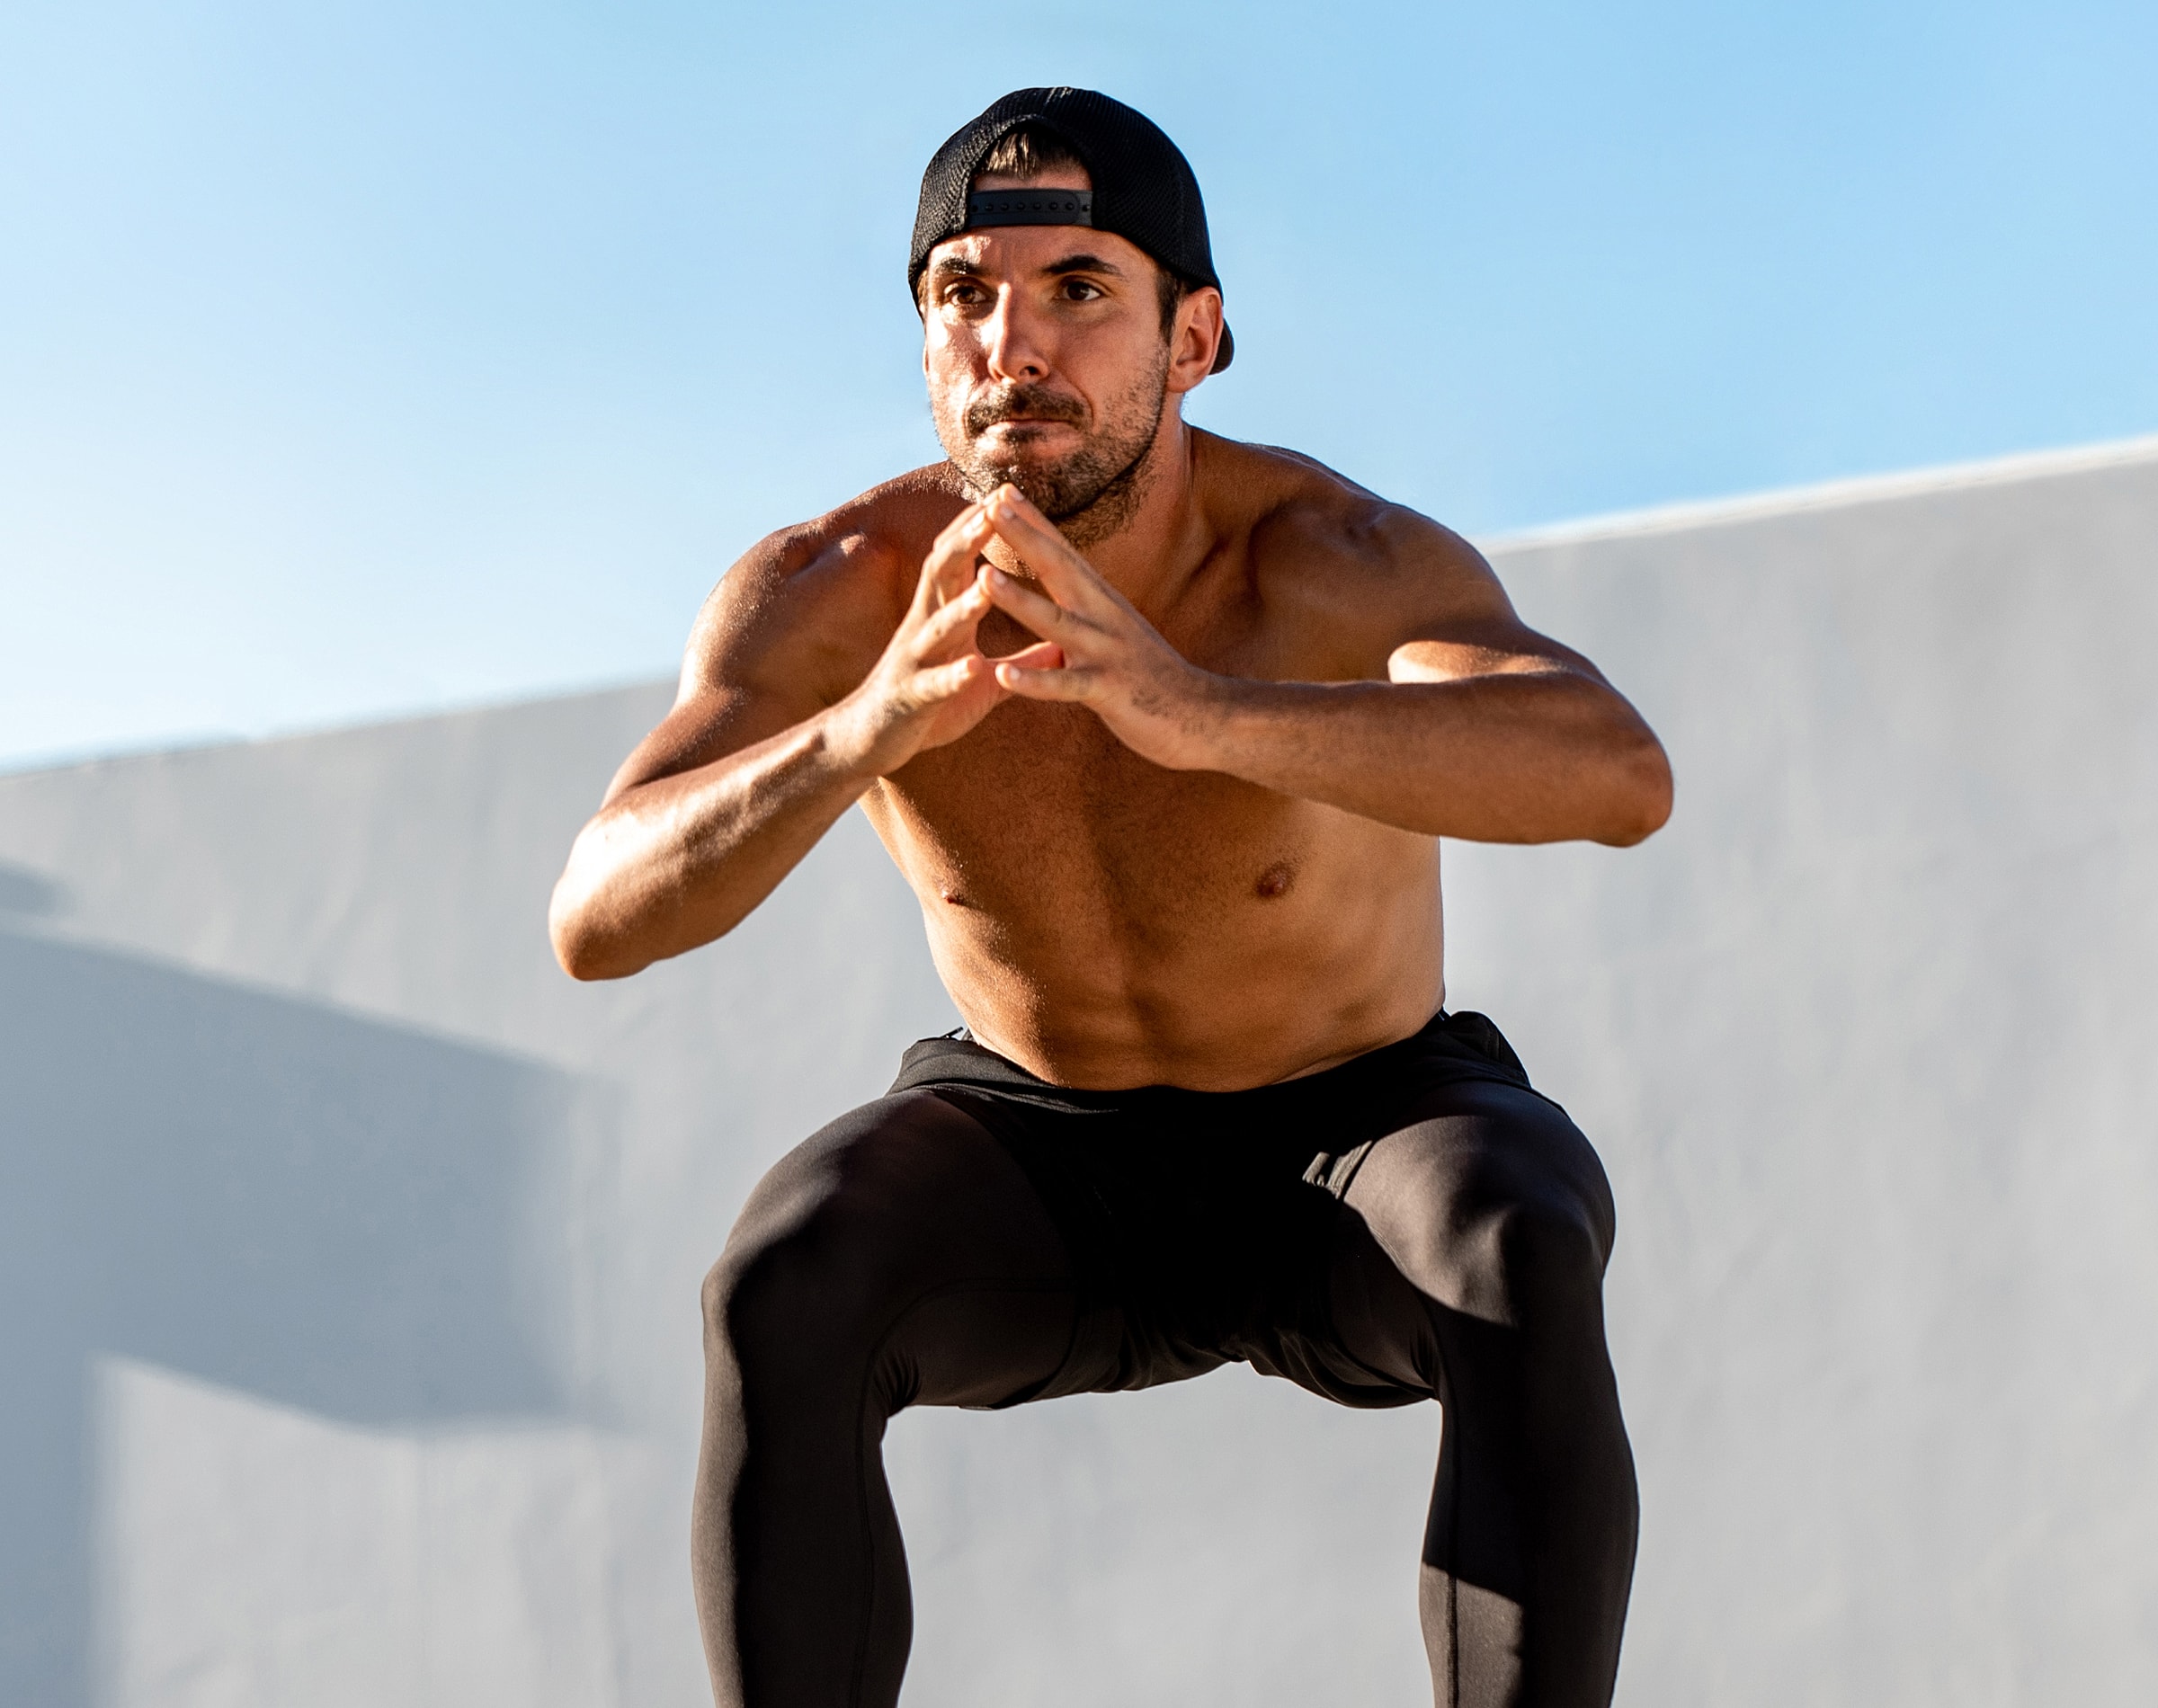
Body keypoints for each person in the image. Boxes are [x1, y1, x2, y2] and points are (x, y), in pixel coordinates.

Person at [549, 85, 1672, 1708]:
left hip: (1352, 1134)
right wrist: (865, 729)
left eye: (1081, 289)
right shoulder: (844, 591)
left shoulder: (1326, 554)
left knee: (1511, 1237)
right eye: (966, 296)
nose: (1018, 344)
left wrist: (1191, 707)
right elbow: (597, 913)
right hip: (1040, 1151)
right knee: (785, 1278)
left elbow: (1617, 773)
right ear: (927, 343)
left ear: (1194, 337)